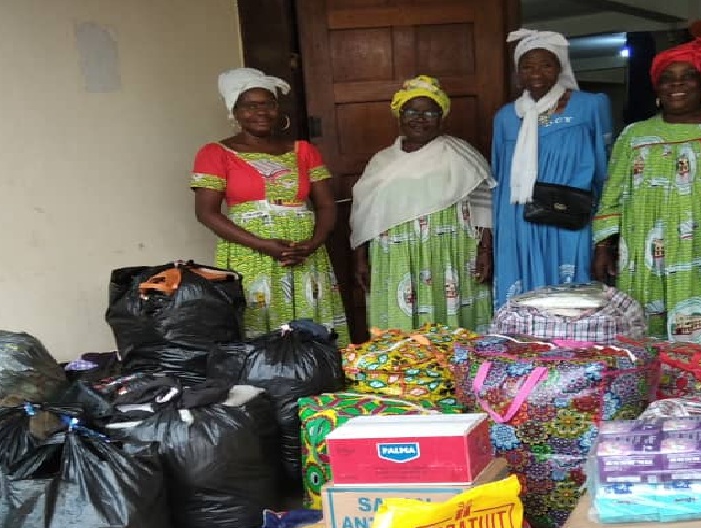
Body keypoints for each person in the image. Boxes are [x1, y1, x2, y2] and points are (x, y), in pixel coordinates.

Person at [591, 22, 701, 347]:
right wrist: (603, 246)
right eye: (667, 80)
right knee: (648, 330)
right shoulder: (635, 135)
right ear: (657, 90)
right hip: (647, 254)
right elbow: (611, 194)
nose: (676, 85)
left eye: (688, 76)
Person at [190, 69, 346, 335]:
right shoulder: (216, 153)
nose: (261, 112)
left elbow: (326, 205)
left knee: (312, 325)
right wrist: (263, 245)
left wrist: (312, 244)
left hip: (305, 251)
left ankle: (316, 373)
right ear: (234, 111)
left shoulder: (303, 150)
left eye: (268, 104)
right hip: (250, 252)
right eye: (250, 106)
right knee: (260, 322)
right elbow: (206, 213)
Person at [351, 75, 497, 333]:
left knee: (454, 326)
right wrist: (361, 259)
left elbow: (484, 202)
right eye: (412, 111)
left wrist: (486, 249)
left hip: (450, 255)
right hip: (397, 259)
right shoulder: (381, 162)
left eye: (430, 112)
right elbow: (364, 214)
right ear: (399, 115)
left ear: (442, 117)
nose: (420, 118)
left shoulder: (459, 153)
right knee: (401, 331)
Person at [492, 29, 613, 304]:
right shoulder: (505, 118)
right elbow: (498, 175)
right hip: (518, 219)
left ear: (560, 67)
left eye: (546, 64)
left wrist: (604, 234)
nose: (536, 72)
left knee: (572, 295)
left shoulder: (590, 106)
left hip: (569, 215)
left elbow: (606, 167)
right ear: (517, 72)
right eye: (527, 66)